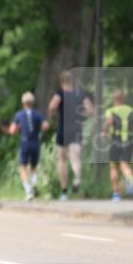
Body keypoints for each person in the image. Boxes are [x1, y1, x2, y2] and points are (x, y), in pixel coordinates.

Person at [48, 71, 95, 200]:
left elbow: (52, 106)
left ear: (62, 81)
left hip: (63, 127)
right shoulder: (80, 94)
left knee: (62, 159)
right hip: (76, 128)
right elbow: (91, 110)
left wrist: (53, 116)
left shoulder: (60, 93)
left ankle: (64, 191)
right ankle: (77, 179)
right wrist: (81, 116)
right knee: (76, 157)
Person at [8, 92, 49, 201]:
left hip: (25, 142)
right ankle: (34, 184)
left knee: (22, 166)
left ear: (23, 103)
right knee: (34, 166)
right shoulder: (38, 114)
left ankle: (28, 190)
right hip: (35, 141)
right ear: (32, 102)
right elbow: (45, 126)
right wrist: (40, 129)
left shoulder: (19, 114)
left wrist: (18, 128)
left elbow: (12, 130)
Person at [102, 89, 133, 201]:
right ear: (123, 99)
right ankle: (131, 180)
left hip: (116, 140)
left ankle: (116, 194)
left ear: (114, 99)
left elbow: (109, 121)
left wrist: (104, 132)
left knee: (114, 166)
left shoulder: (111, 110)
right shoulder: (130, 110)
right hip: (129, 140)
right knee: (125, 165)